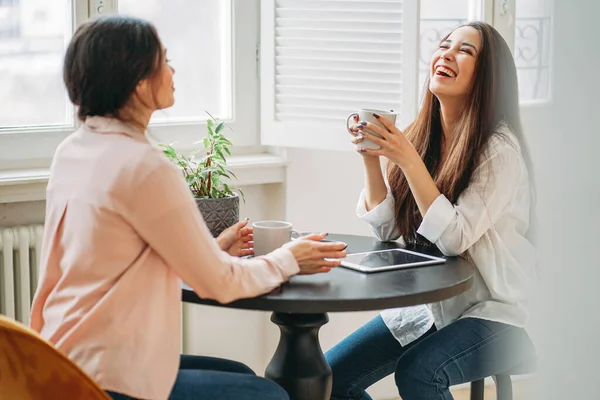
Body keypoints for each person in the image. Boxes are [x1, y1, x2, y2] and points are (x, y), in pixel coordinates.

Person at [29, 15, 347, 400]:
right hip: (109, 379)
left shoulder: (73, 152)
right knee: (272, 396)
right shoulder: (144, 167)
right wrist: (290, 257)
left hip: (60, 361)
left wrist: (209, 250)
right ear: (139, 83)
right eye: (164, 60)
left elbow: (112, 266)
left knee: (244, 375)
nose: (173, 70)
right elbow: (220, 284)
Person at [325, 21, 537, 400]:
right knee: (327, 377)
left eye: (465, 51)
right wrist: (371, 160)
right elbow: (388, 232)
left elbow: (454, 238)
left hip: (495, 311)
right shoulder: (424, 137)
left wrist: (406, 159)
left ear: (488, 77)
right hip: (431, 307)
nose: (447, 54)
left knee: (420, 373)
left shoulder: (499, 150)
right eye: (444, 45)